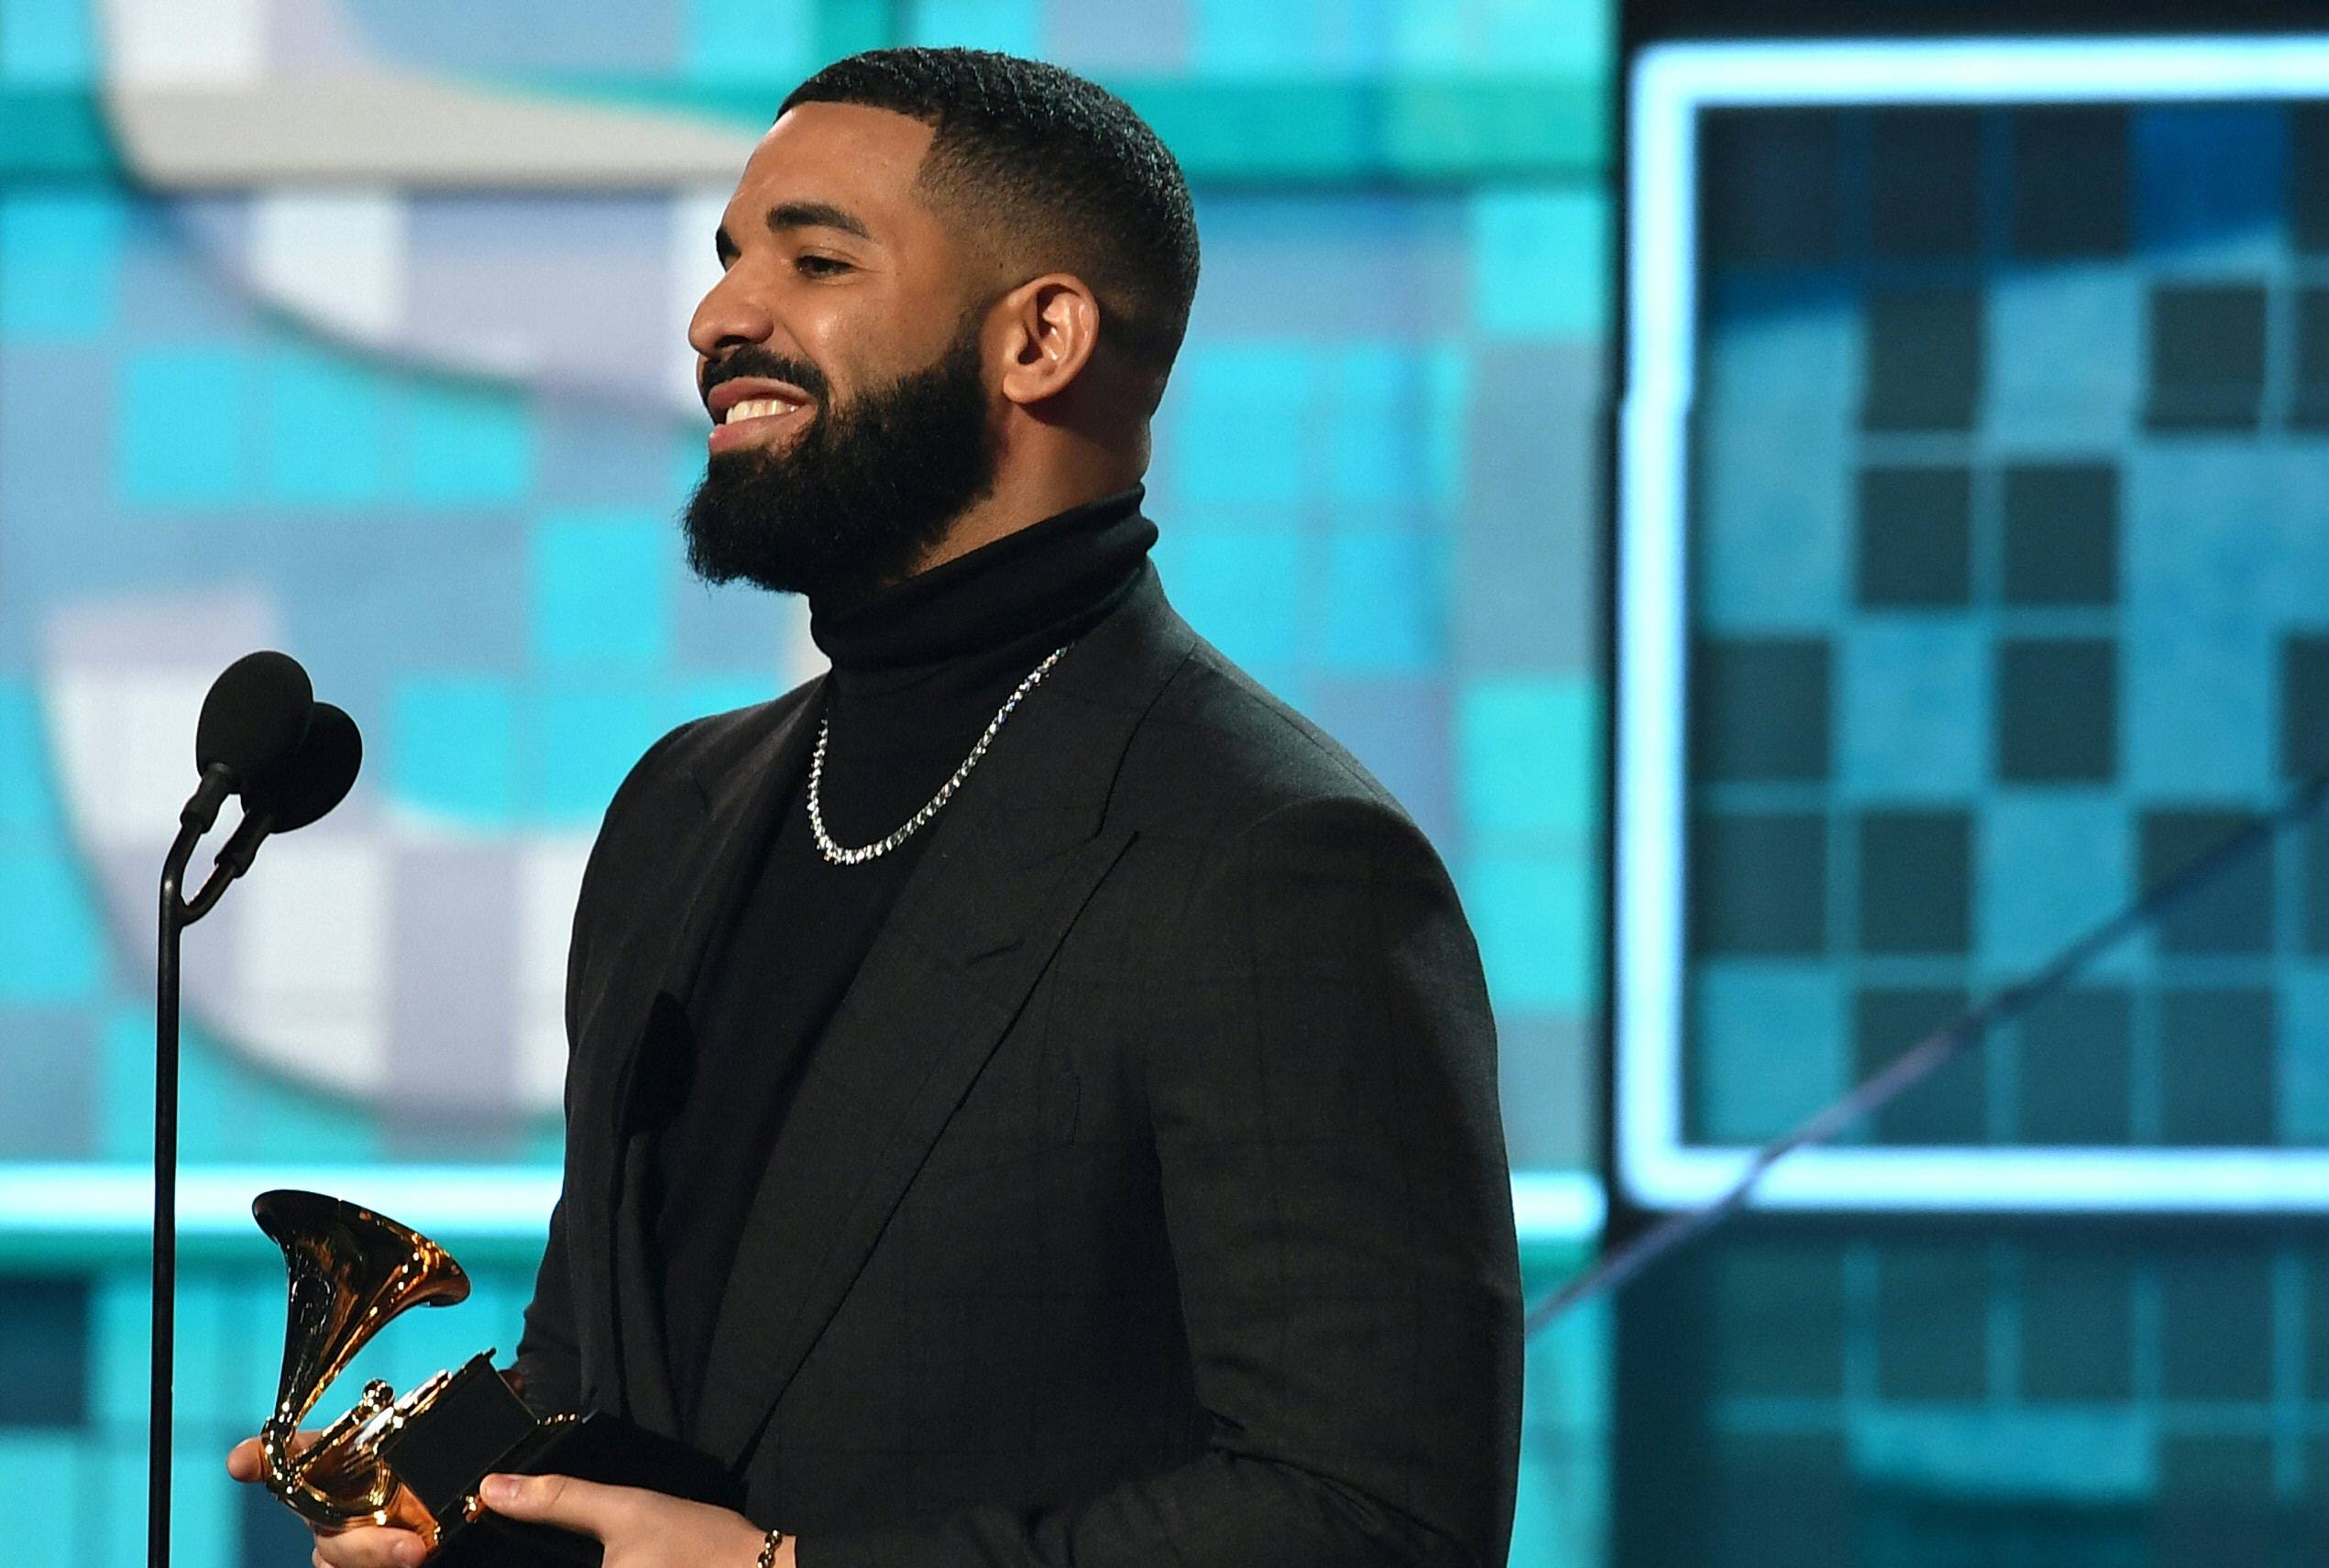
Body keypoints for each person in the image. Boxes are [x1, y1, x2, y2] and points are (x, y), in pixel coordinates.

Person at [230, 46, 1522, 1568]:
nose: (718, 317)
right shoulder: (682, 807)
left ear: (1038, 337)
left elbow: (1373, 1517)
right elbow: (600, 1379)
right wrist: (459, 1513)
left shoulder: (1273, 860)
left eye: (816, 260)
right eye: (728, 258)